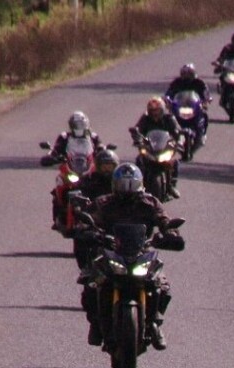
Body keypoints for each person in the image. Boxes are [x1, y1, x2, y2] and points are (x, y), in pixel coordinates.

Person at [81, 163, 184, 349]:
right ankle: (96, 324)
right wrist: (88, 230)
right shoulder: (104, 203)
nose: (126, 190)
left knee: (162, 285)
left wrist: (170, 233)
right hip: (111, 251)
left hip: (141, 252)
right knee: (90, 282)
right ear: (115, 184)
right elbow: (90, 219)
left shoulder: (150, 202)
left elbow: (164, 220)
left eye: (131, 184)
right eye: (122, 185)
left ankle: (154, 323)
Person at [40, 111, 105, 230]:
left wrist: (104, 155)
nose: (79, 127)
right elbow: (56, 150)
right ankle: (59, 213)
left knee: (102, 184)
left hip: (88, 168)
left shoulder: (93, 137)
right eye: (76, 124)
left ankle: (99, 215)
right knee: (59, 183)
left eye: (81, 124)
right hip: (71, 167)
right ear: (71, 125)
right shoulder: (64, 137)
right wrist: (53, 156)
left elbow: (101, 149)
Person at [130, 97, 183, 198]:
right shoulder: (145, 119)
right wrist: (137, 137)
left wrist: (179, 141)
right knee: (139, 160)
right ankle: (138, 184)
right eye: (152, 111)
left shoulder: (169, 118)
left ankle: (172, 185)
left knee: (174, 162)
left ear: (162, 109)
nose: (155, 113)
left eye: (157, 110)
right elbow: (138, 130)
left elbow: (178, 131)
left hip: (165, 147)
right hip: (149, 147)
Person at [164, 63, 212, 148]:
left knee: (204, 115)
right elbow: (169, 92)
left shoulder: (199, 83)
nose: (187, 76)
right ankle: (168, 136)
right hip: (179, 106)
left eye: (189, 73)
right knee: (168, 118)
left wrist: (206, 100)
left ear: (193, 73)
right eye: (185, 73)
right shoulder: (176, 82)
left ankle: (202, 134)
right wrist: (167, 100)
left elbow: (206, 93)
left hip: (194, 106)